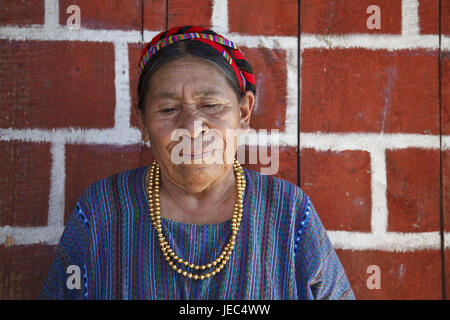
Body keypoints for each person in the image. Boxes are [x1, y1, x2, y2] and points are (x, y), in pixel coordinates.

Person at [39, 25, 355, 300]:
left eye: (211, 105)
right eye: (168, 110)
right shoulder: (102, 212)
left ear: (243, 113)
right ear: (143, 122)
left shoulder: (288, 213)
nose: (192, 128)